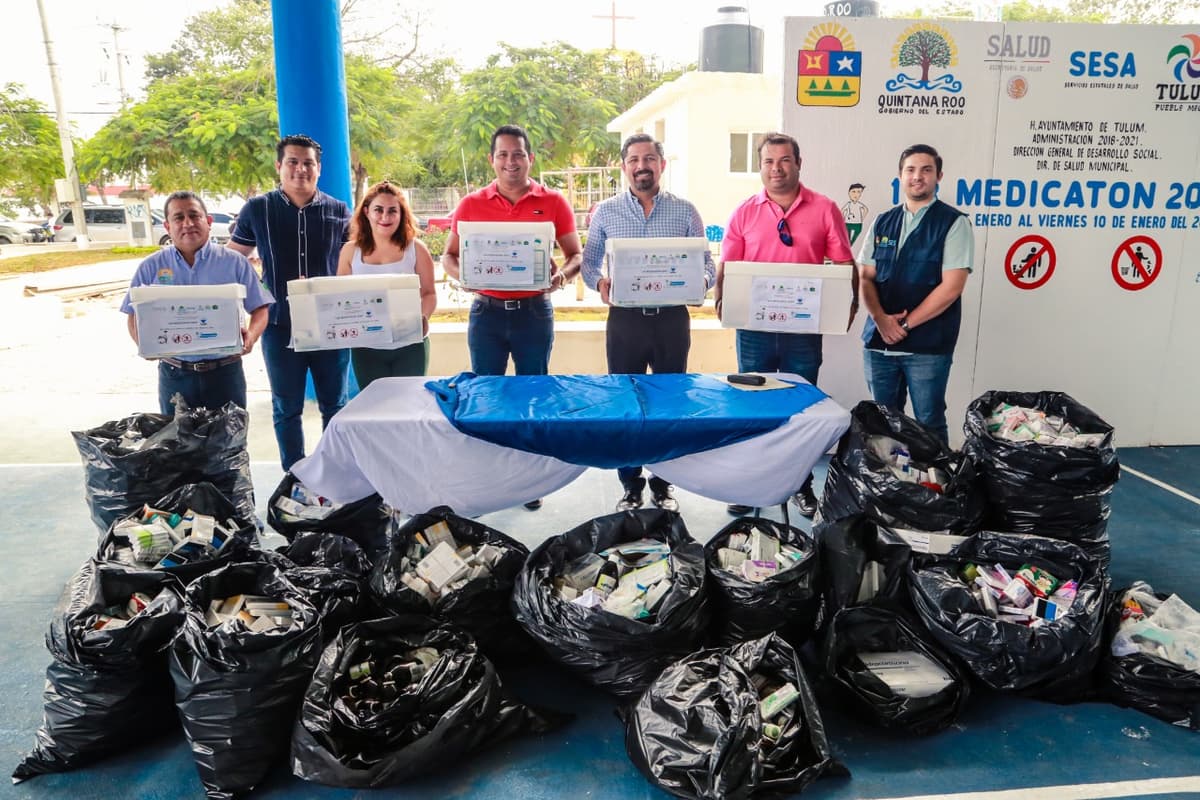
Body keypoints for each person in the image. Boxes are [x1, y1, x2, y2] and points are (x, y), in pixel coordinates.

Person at [714, 132, 857, 517]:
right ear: (760, 167)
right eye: (768, 162)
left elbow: (844, 265)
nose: (776, 169)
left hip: (803, 331)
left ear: (798, 163)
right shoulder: (744, 212)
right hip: (754, 331)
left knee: (802, 409)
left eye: (784, 161)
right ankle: (751, 486)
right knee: (753, 406)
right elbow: (728, 266)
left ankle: (801, 486)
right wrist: (721, 301)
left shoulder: (825, 209)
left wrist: (849, 305)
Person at [441, 124, 583, 511]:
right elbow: (448, 257)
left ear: (529, 158)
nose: (510, 162)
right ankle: (488, 476)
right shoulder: (471, 204)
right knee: (485, 397)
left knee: (532, 396)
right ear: (492, 160)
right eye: (502, 154)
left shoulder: (552, 201)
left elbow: (576, 255)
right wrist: (463, 277)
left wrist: (561, 276)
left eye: (518, 154)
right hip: (486, 313)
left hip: (534, 314)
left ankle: (527, 480)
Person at [582, 133, 715, 513]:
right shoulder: (606, 212)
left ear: (662, 164)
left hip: (672, 320)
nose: (642, 166)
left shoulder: (686, 211)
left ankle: (663, 485)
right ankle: (630, 484)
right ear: (624, 167)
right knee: (626, 402)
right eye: (634, 160)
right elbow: (590, 264)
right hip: (625, 321)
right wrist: (600, 283)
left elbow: (708, 264)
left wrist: (701, 283)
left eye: (650, 158)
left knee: (669, 403)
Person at [228, 134, 352, 471]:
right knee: (286, 407)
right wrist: (255, 298)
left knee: (335, 404)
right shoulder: (257, 209)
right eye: (293, 162)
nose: (301, 169)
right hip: (279, 326)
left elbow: (357, 262)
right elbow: (233, 261)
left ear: (319, 168)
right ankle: (294, 474)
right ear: (279, 166)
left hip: (330, 329)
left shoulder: (338, 210)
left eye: (308, 163)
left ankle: (333, 471)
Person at [858, 143, 973, 446]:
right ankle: (892, 486)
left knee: (929, 421)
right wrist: (881, 319)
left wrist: (904, 326)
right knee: (884, 422)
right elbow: (865, 277)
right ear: (900, 176)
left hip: (927, 347)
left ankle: (936, 486)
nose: (917, 176)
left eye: (926, 170)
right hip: (880, 345)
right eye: (910, 170)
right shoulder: (883, 221)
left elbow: (952, 287)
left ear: (939, 176)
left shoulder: (954, 222)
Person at [121, 191, 273, 415]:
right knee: (177, 445)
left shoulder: (235, 263)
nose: (188, 223)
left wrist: (251, 336)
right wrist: (144, 346)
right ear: (167, 226)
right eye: (178, 218)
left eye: (194, 215)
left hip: (225, 373)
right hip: (175, 375)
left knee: (229, 443)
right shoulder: (151, 266)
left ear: (208, 221)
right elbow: (132, 314)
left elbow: (260, 308)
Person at [336, 180, 437, 387]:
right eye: (378, 210)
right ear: (366, 212)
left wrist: (423, 316)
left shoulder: (416, 249)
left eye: (393, 211)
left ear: (402, 215)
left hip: (410, 345)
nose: (385, 217)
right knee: (374, 408)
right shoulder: (350, 251)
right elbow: (341, 298)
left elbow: (429, 293)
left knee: (408, 406)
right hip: (366, 348)